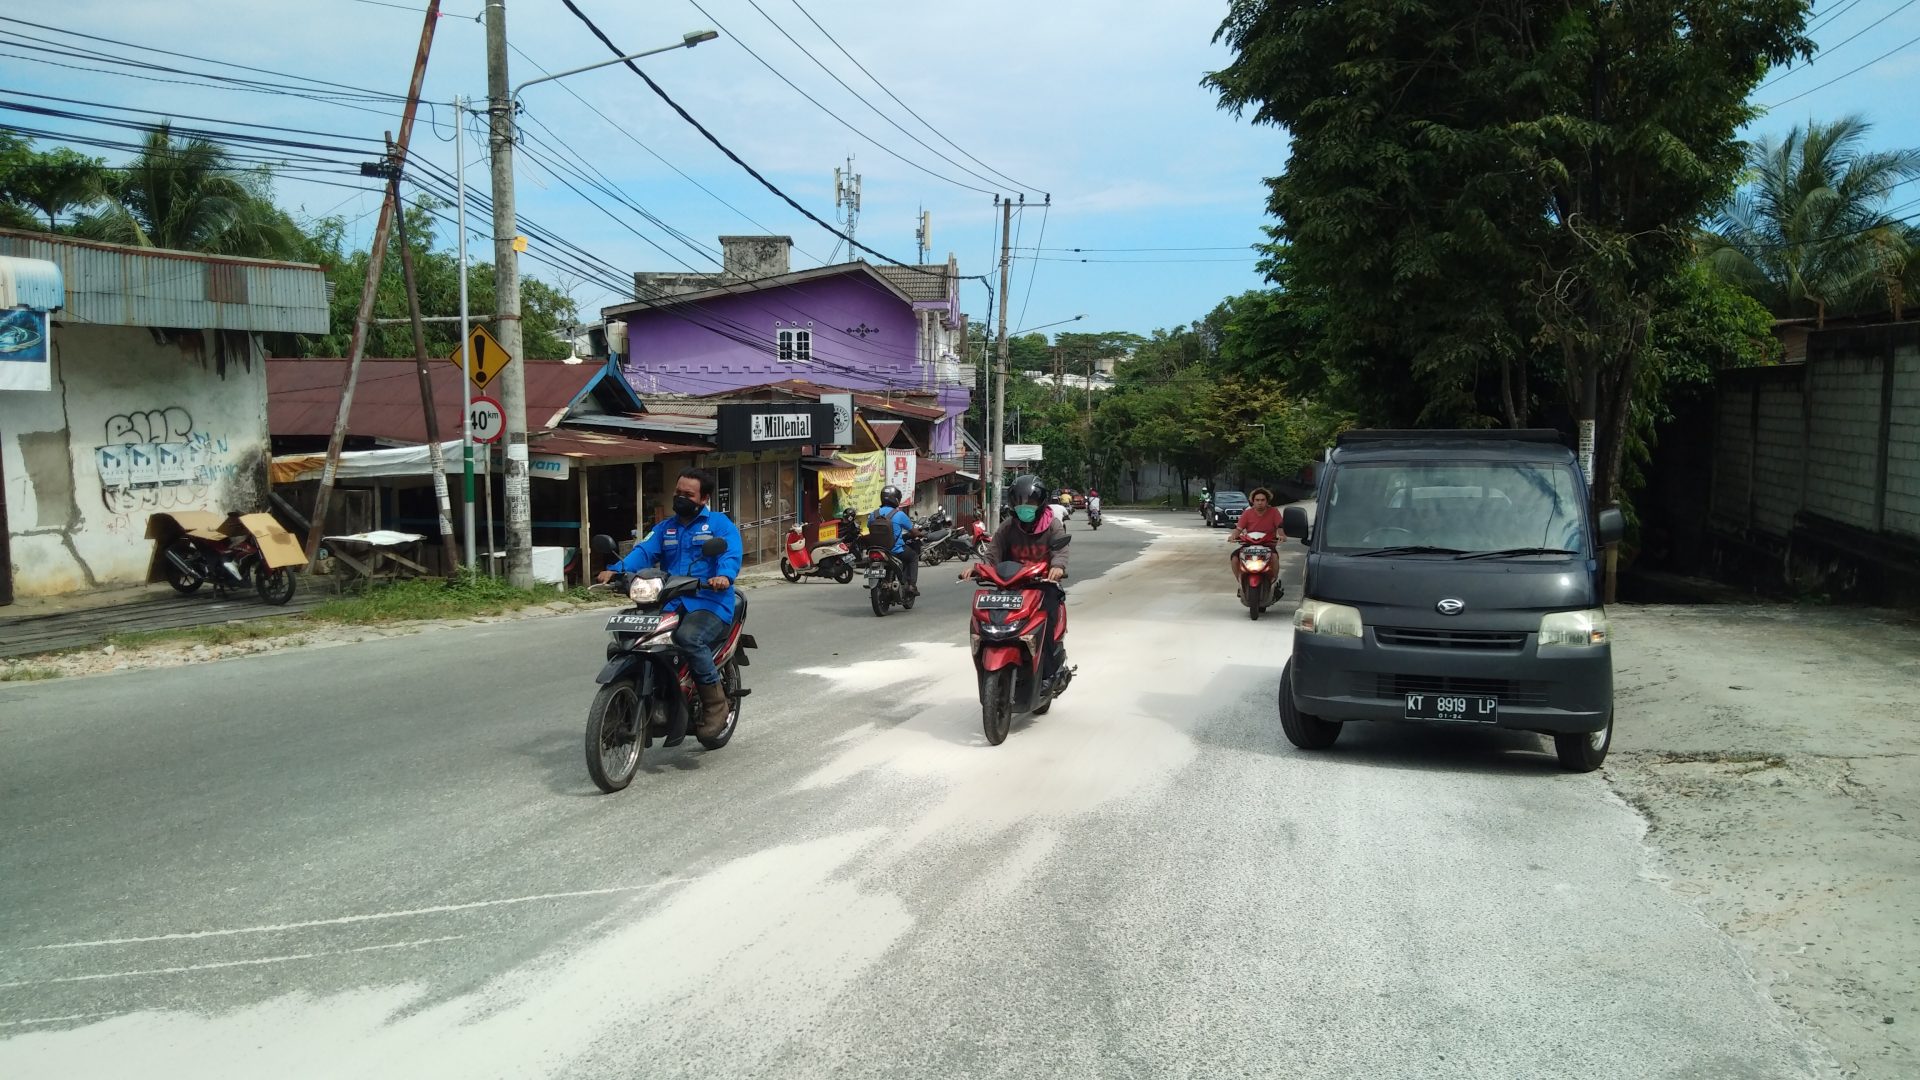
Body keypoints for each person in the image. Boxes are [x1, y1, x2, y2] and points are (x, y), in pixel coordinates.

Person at [598, 468, 743, 738]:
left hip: (708, 602)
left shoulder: (719, 525)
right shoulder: (665, 528)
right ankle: (633, 697)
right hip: (669, 600)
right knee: (632, 636)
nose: (681, 498)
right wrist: (617, 571)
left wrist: (723, 575)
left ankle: (716, 704)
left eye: (688, 494)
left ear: (704, 498)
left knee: (689, 638)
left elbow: (731, 553)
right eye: (678, 493)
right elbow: (643, 552)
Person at [971, 474, 1070, 683]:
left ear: (1041, 502)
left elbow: (1060, 551)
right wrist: (979, 569)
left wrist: (1058, 568)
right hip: (1011, 586)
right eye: (1020, 502)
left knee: (1047, 622)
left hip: (1043, 585)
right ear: (1013, 503)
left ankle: (1048, 674)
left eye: (1031, 502)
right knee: (990, 621)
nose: (1025, 506)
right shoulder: (1007, 527)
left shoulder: (1053, 526)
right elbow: (992, 554)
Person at [868, 485, 921, 597]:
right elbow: (914, 532)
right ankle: (911, 585)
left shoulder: (874, 514)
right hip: (895, 550)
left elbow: (870, 527)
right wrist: (921, 533)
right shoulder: (899, 514)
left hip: (876, 549)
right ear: (896, 499)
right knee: (913, 557)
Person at [1230, 487, 1287, 584]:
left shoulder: (1274, 512)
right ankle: (1240, 582)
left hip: (1268, 544)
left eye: (1262, 500)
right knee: (1234, 558)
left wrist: (1282, 536)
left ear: (1267, 501)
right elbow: (1238, 529)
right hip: (1249, 544)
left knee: (1274, 557)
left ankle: (1273, 581)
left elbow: (1280, 527)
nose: (1260, 502)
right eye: (1257, 500)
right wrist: (1233, 536)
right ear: (1252, 501)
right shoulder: (1247, 513)